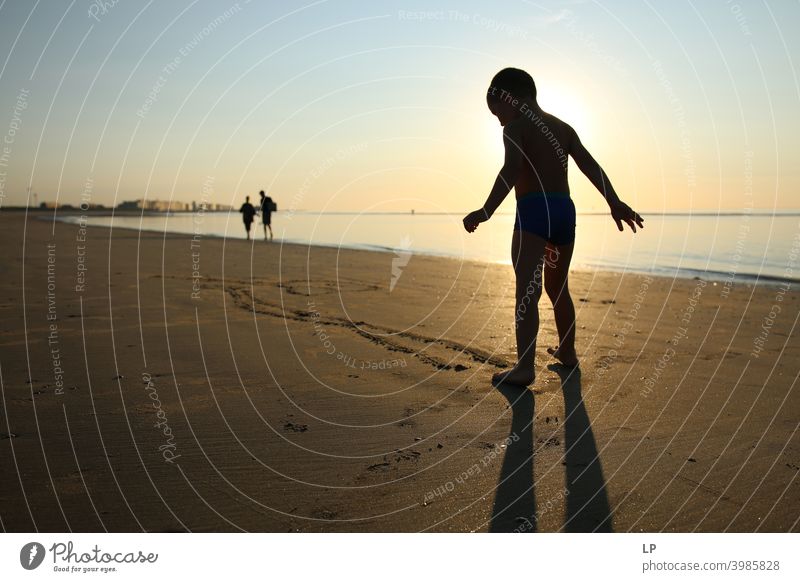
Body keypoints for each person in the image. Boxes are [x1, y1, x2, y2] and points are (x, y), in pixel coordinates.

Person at [463, 68, 644, 387]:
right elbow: (589, 165)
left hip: (534, 211)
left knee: (526, 292)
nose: (499, 120)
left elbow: (512, 169)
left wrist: (486, 210)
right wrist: (613, 201)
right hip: (563, 211)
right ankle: (568, 352)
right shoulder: (563, 127)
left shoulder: (516, 128)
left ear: (509, 98)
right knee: (557, 287)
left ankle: (524, 368)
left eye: (497, 112)